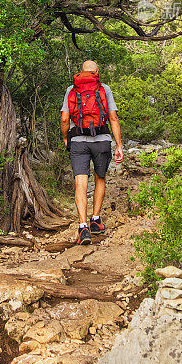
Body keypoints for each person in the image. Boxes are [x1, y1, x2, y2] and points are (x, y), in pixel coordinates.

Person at [60, 60, 123, 245]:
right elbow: (113, 117)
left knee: (81, 183)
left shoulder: (72, 89)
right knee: (100, 178)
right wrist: (118, 144)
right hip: (102, 140)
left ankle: (83, 227)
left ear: (82, 72)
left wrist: (66, 137)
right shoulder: (104, 88)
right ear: (97, 71)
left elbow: (65, 118)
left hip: (78, 141)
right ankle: (95, 220)